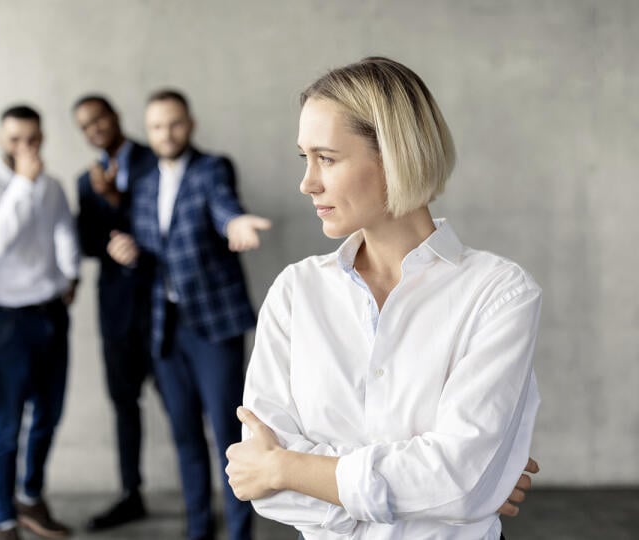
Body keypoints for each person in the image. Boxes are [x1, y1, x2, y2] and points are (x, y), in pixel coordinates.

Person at [224, 56, 542, 540]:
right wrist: (441, 495)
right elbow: (264, 487)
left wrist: (288, 468)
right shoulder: (296, 292)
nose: (307, 182)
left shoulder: (499, 293)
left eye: (326, 158)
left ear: (395, 155)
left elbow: (460, 484)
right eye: (304, 158)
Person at [107, 89, 271, 540]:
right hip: (165, 330)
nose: (167, 133)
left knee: (228, 438)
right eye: (157, 126)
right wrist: (129, 252)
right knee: (184, 437)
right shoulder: (142, 184)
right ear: (149, 130)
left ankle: (239, 533)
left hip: (213, 327)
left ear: (190, 124)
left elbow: (223, 205)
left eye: (175, 123)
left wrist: (234, 223)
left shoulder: (212, 169)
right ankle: (198, 528)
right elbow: (148, 250)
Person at [0, 105, 80, 540]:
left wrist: (71, 277)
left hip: (52, 312)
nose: (26, 147)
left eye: (33, 139)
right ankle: (4, 518)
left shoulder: (52, 186)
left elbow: (64, 232)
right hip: (11, 321)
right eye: (16, 140)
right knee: (10, 423)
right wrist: (23, 183)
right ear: (1, 139)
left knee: (49, 415)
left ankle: (31, 497)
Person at [72, 94, 157, 530]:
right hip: (116, 312)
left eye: (99, 119)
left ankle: (221, 493)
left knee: (185, 408)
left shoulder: (153, 159)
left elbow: (157, 222)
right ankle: (130, 494)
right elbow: (87, 244)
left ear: (115, 117)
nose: (95, 129)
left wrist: (115, 197)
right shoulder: (85, 181)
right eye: (85, 126)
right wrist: (101, 201)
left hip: (161, 305)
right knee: (124, 405)